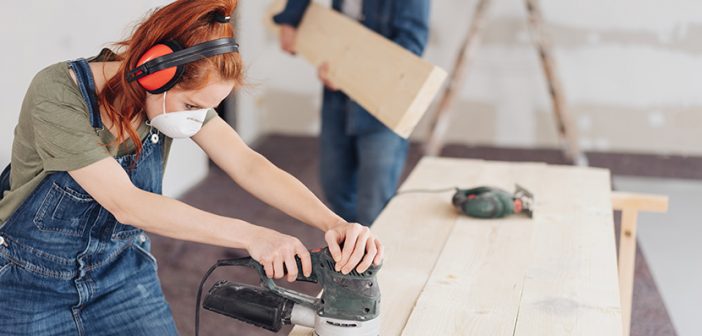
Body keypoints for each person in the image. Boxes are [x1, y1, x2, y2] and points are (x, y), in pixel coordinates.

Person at [0, 0, 382, 334]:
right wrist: (253, 235)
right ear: (153, 73)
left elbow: (248, 164)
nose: (196, 120)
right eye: (191, 107)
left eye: (206, 110)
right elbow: (126, 203)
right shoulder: (58, 93)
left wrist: (332, 222)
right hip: (28, 282)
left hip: (121, 271)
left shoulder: (168, 99)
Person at [273, 0, 431, 226]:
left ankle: (372, 253)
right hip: (337, 97)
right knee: (335, 186)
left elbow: (412, 45)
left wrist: (352, 70)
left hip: (383, 102)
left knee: (374, 201)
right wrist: (290, 19)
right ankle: (354, 246)